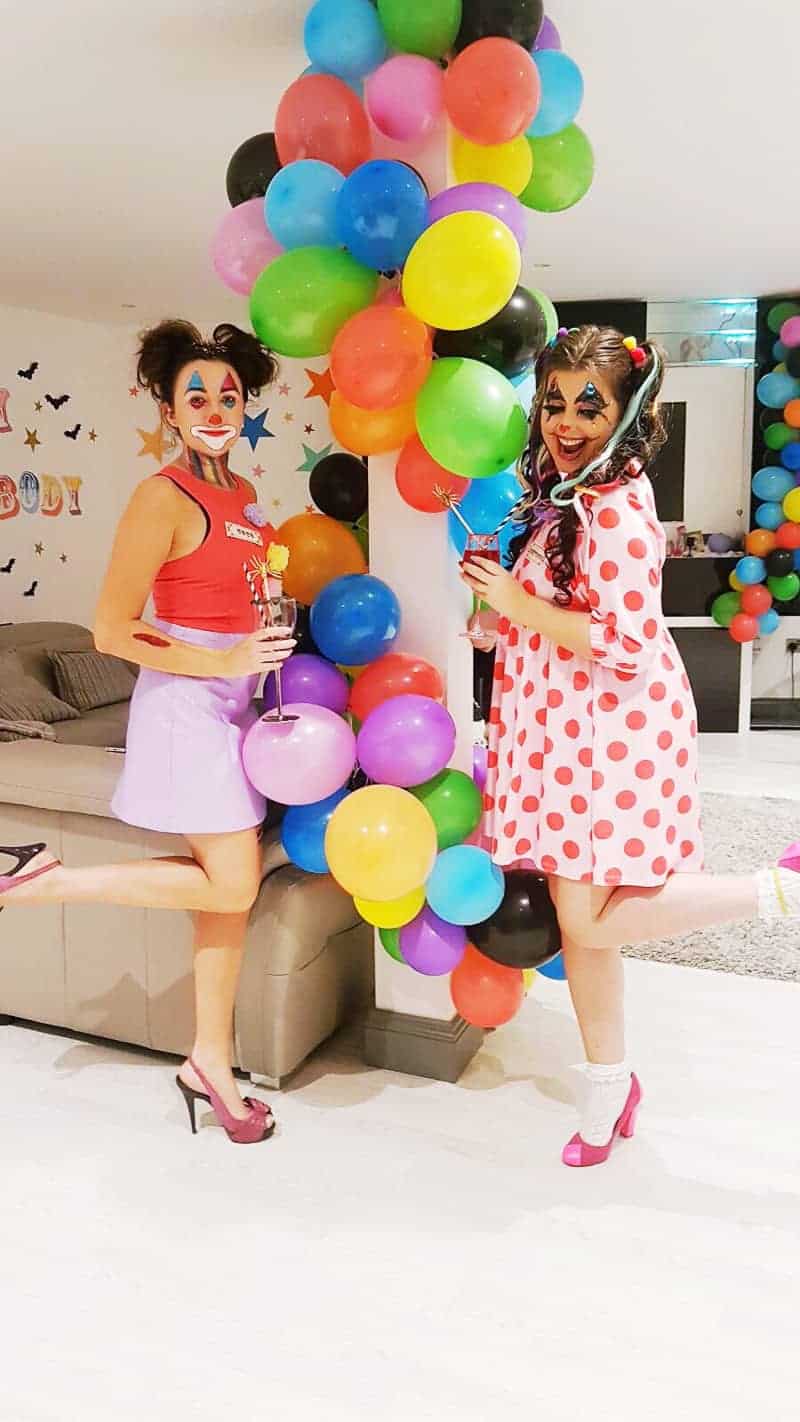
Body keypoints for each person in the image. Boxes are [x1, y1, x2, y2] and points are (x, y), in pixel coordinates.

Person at [461, 325, 800, 1168]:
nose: (566, 421)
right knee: (585, 927)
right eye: (554, 403)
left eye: (590, 406)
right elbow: (556, 616)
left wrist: (517, 604)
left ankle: (777, 890)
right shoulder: (564, 494)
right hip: (558, 728)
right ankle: (610, 1087)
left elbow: (623, 641)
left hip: (605, 734)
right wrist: (501, 623)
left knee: (587, 918)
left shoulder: (615, 505)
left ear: (624, 414)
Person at [0, 320, 297, 1145]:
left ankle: (210, 1061)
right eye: (195, 396)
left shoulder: (244, 495)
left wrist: (260, 643)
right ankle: (46, 879)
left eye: (228, 396)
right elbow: (110, 629)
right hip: (183, 705)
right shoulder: (161, 496)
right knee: (233, 885)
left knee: (224, 902)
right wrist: (224, 657)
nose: (214, 409)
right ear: (167, 410)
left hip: (235, 702)